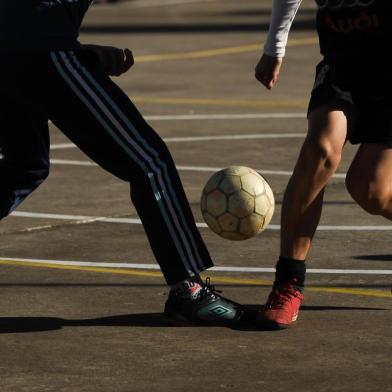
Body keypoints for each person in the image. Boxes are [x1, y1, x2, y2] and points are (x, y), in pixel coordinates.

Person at [0, 0, 244, 325]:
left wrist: (80, 50)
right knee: (149, 162)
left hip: (15, 46)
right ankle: (189, 291)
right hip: (42, 47)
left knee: (24, 165)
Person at [254, 0, 392, 329]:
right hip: (343, 62)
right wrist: (275, 46)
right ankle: (288, 283)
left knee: (371, 190)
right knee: (321, 148)